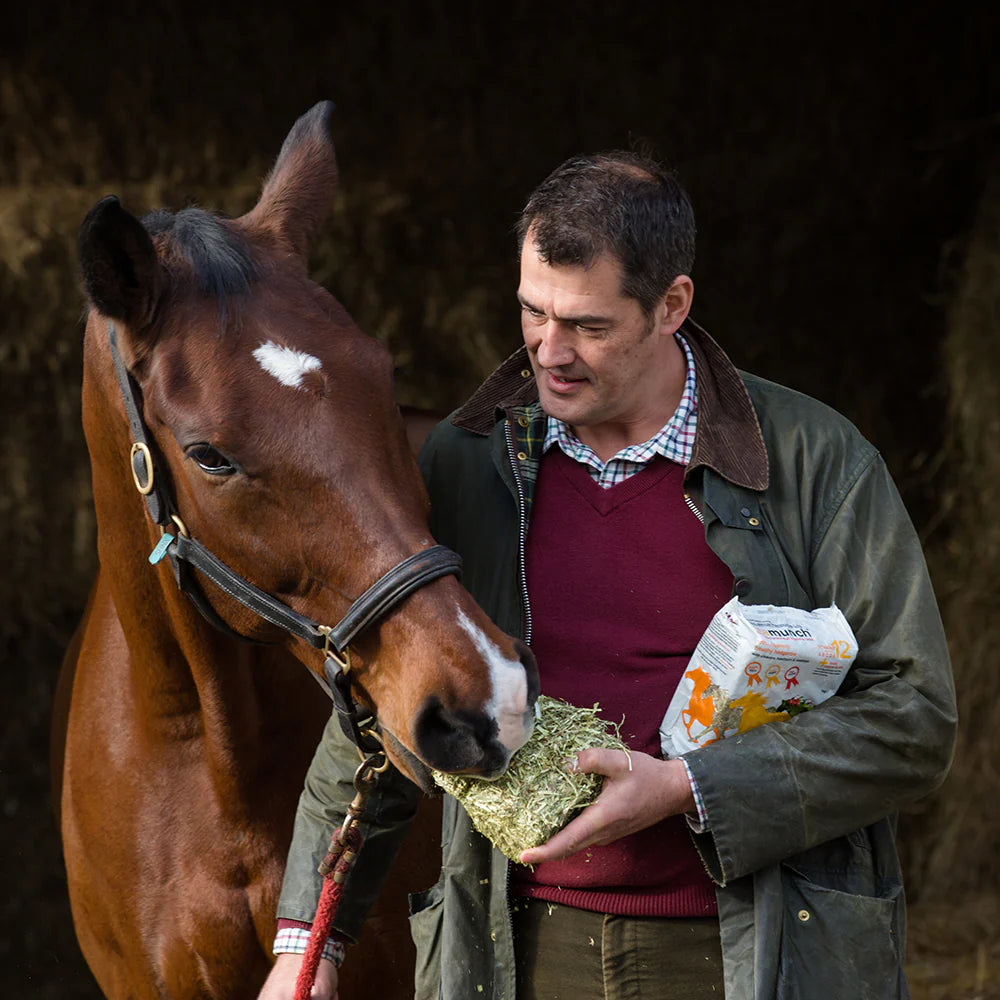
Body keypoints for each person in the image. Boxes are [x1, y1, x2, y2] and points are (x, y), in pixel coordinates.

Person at [259, 152, 957, 1000]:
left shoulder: (815, 462)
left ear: (672, 305)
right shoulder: (465, 462)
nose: (549, 352)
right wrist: (310, 938)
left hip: (749, 954)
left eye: (588, 325)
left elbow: (914, 716)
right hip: (513, 953)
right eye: (532, 311)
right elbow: (382, 705)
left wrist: (689, 788)